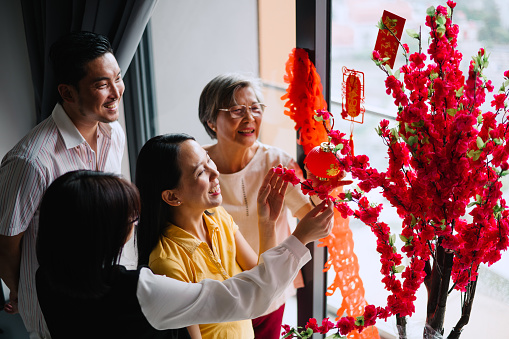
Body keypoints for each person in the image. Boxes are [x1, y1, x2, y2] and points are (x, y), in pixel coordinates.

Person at [35, 170, 333, 339]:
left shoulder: (47, 277)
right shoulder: (143, 289)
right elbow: (246, 296)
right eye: (129, 221)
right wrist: (301, 237)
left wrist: (268, 224)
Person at [135, 133, 334, 339]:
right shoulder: (167, 262)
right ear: (172, 196)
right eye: (201, 172)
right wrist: (300, 238)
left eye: (208, 160)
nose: (215, 172)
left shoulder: (217, 217)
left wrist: (267, 223)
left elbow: (264, 282)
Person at [0, 31, 125, 338]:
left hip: (105, 295)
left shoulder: (114, 133)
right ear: (68, 93)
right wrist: (20, 293)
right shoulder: (31, 160)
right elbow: (6, 242)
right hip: (55, 313)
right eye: (101, 85)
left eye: (117, 78)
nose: (116, 92)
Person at [198, 73, 319, 338]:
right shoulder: (196, 164)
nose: (249, 117)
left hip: (269, 286)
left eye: (255, 108)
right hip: (220, 289)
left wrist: (322, 185)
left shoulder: (277, 163)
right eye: (236, 110)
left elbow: (311, 219)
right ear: (210, 120)